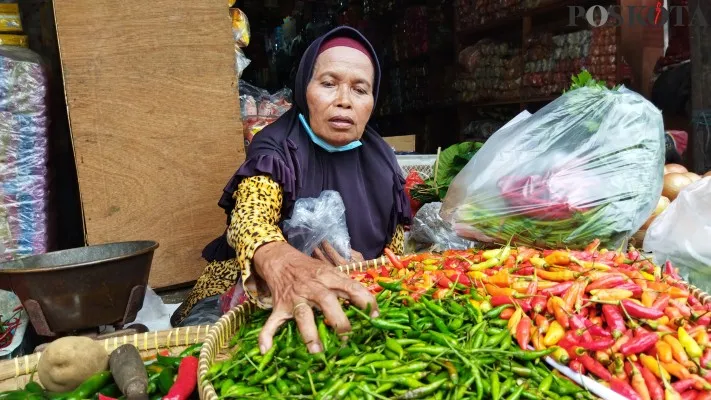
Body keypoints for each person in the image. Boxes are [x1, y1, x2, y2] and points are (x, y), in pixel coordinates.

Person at [171, 26, 411, 355]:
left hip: (346, 288)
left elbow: (393, 253)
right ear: (304, 88)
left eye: (360, 89)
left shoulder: (381, 159)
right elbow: (250, 219)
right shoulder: (277, 147)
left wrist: (364, 268)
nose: (343, 101)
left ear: (373, 99)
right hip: (249, 290)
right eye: (328, 84)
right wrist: (286, 264)